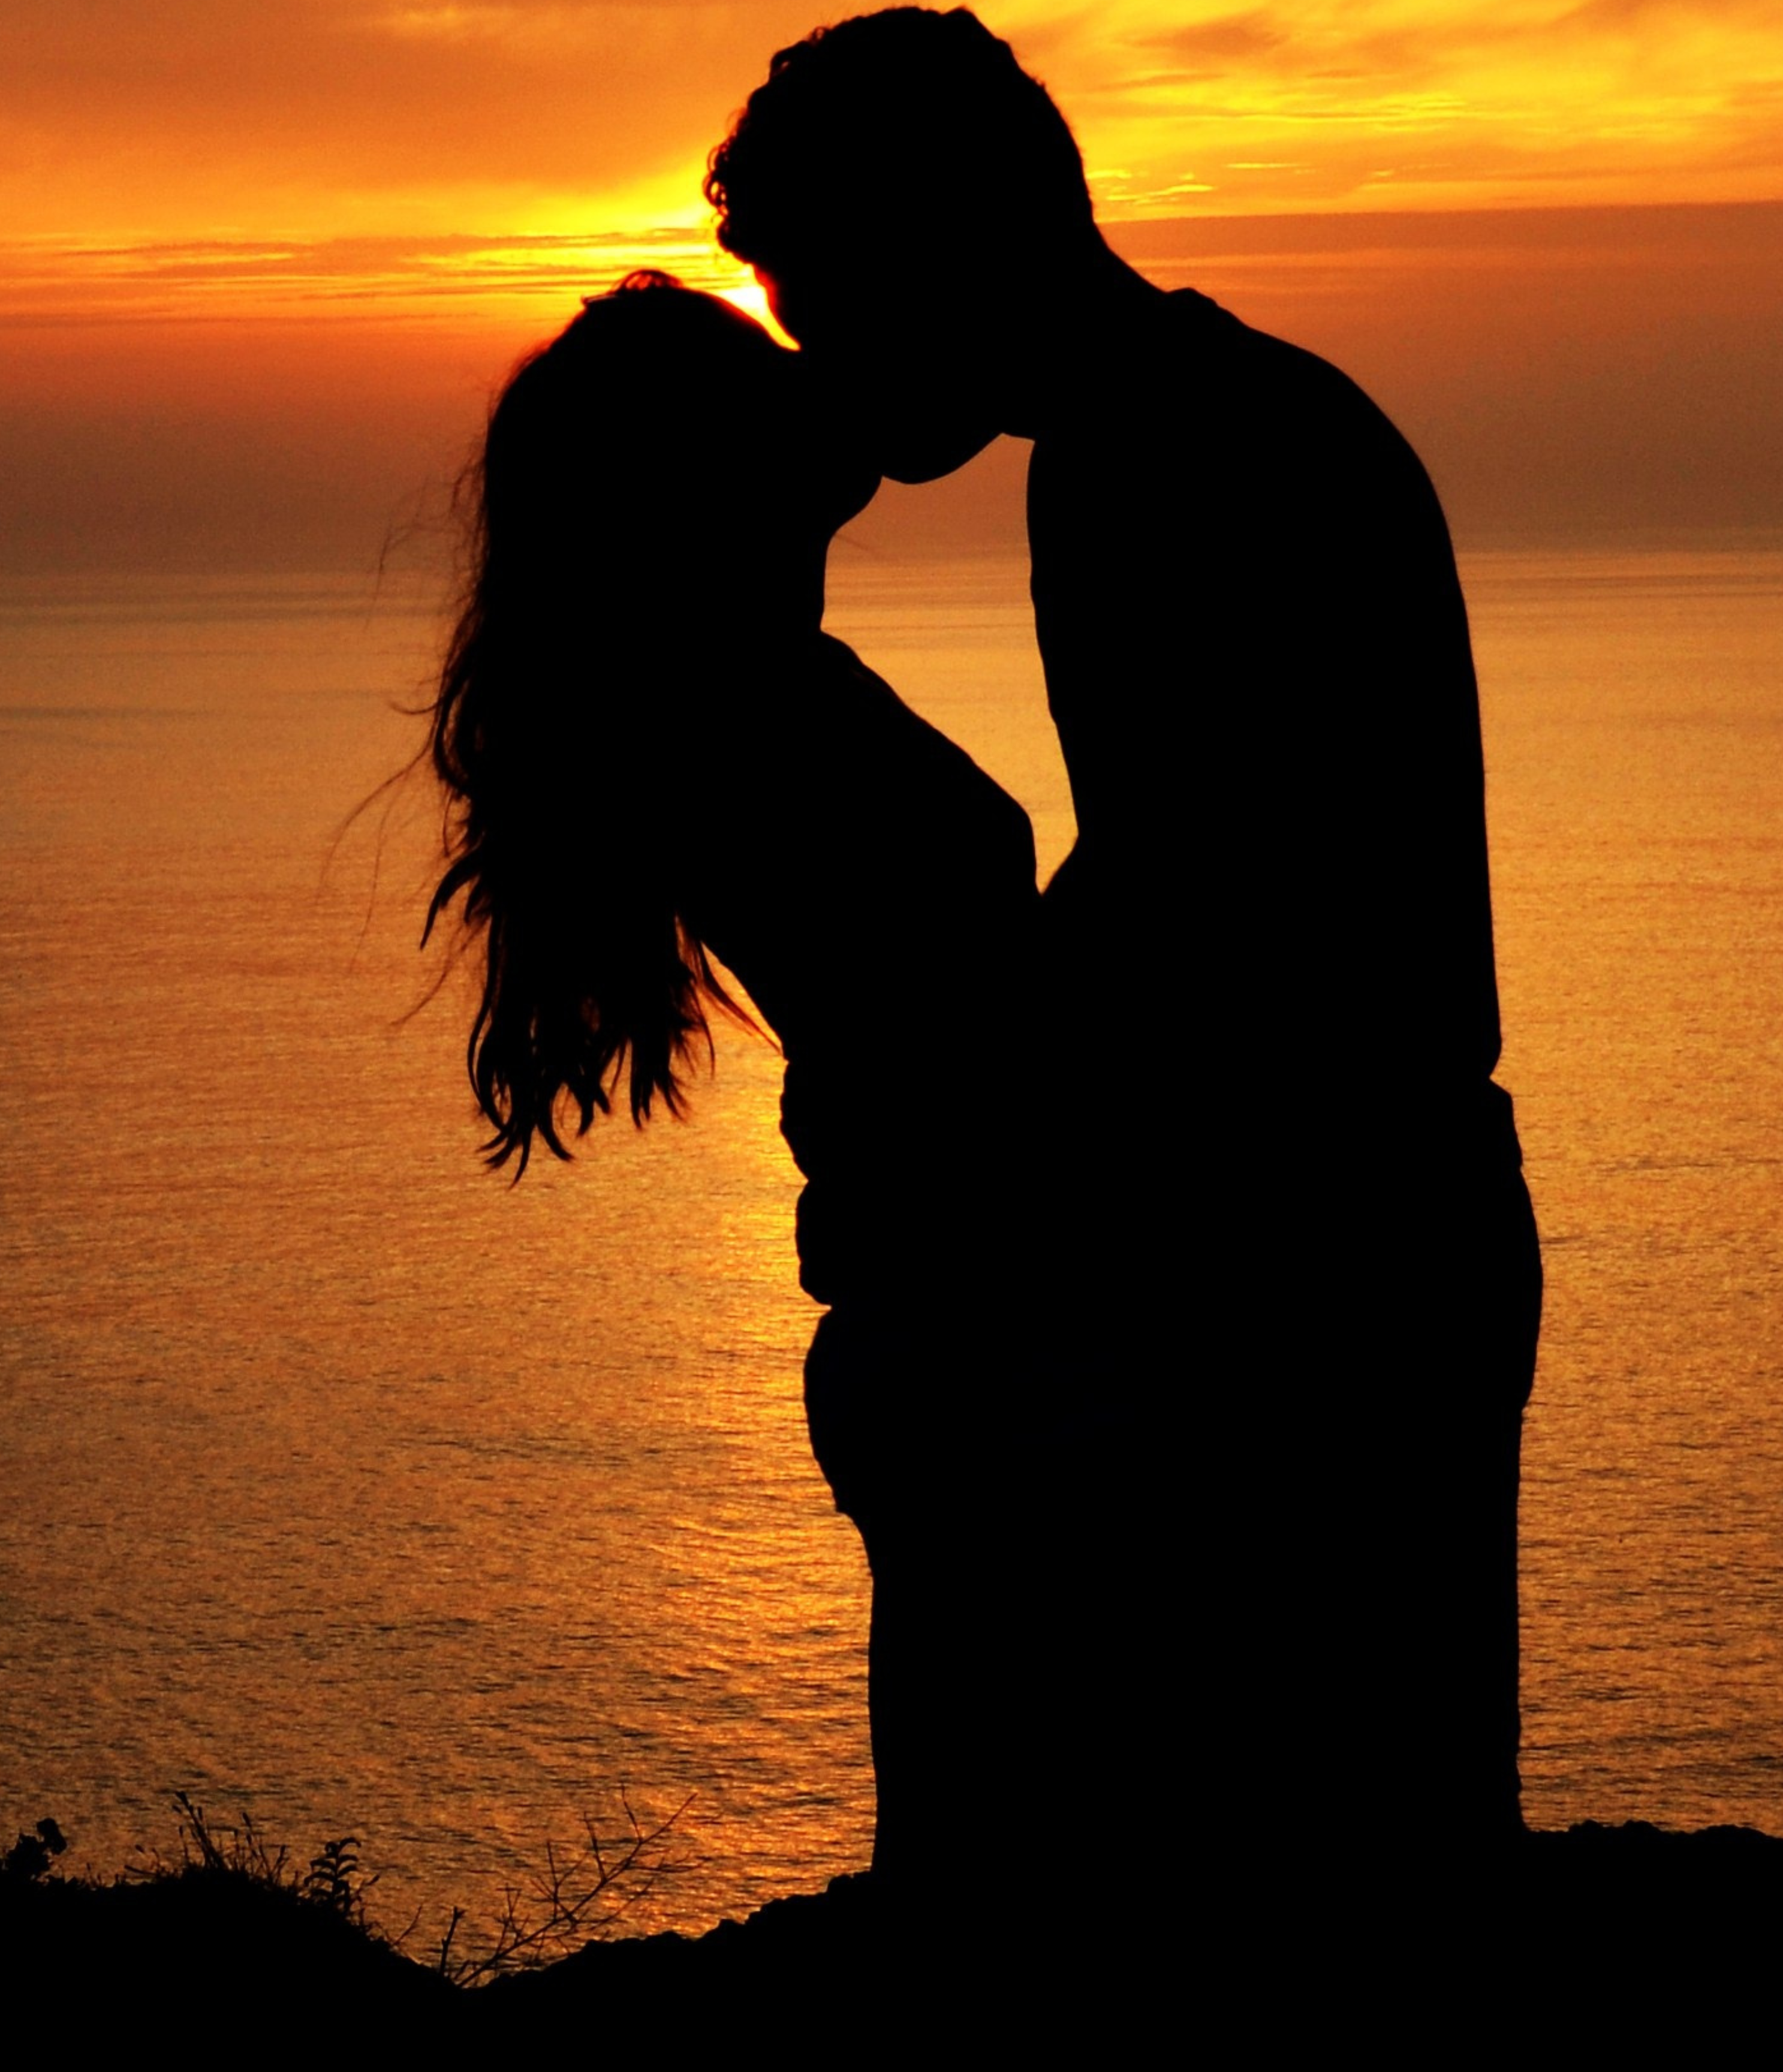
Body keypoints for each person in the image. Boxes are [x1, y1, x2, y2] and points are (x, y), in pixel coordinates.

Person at [705, 6, 1544, 1902]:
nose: (817, 355)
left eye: (825, 296)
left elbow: (1192, 898)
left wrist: (942, 1116)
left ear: (940, 242)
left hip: (1325, 1256)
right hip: (1356, 1222)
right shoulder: (1198, 420)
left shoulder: (1156, 455)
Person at [416, 275, 1068, 1898]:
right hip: (973, 1335)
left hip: (949, 1325)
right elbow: (962, 1020)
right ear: (707, 480)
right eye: (766, 376)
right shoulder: (751, 712)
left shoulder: (754, 688)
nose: (810, 383)